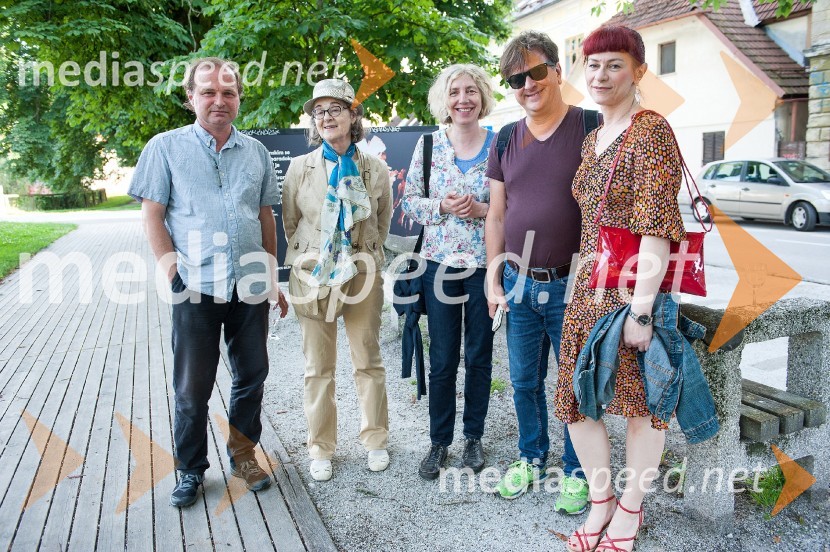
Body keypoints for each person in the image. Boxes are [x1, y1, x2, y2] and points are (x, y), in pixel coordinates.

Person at [129, 57, 288, 508]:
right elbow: (153, 215)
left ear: (239, 98)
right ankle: (190, 469)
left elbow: (264, 216)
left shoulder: (256, 152)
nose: (219, 100)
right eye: (208, 92)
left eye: (228, 92)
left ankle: (243, 457)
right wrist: (172, 274)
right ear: (190, 97)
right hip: (195, 285)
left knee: (252, 375)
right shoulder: (165, 148)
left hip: (249, 285)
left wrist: (271, 276)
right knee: (192, 387)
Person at [555, 26, 684, 552]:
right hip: (588, 286)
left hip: (632, 292)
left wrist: (643, 310)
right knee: (575, 401)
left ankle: (630, 509)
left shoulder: (650, 130)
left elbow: (657, 226)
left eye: (614, 64)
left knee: (639, 405)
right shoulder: (594, 137)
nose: (601, 75)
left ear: (638, 72)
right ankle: (601, 500)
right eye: (593, 64)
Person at [484, 31, 594, 513]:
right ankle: (531, 457)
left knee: (575, 381)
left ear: (557, 71)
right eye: (515, 79)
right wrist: (493, 278)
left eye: (535, 72)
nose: (527, 85)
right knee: (524, 381)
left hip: (575, 284)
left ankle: (577, 471)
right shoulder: (506, 138)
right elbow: (496, 216)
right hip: (518, 283)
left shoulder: (590, 127)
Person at [282, 79, 392, 482]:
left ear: (352, 114)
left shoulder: (375, 168)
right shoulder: (300, 168)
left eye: (335, 109)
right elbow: (292, 222)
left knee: (368, 360)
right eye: (319, 111)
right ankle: (321, 448)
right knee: (318, 367)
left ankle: (376, 440)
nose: (326, 117)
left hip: (362, 270)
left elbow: (382, 220)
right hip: (314, 274)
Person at [401, 64, 496, 479]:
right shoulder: (427, 145)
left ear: (482, 96)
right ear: (444, 99)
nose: (463, 99)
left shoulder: (500, 144)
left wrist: (482, 209)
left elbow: (513, 206)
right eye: (455, 92)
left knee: (479, 356)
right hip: (438, 266)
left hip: (483, 266)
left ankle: (473, 437)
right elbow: (409, 202)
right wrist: (440, 206)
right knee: (442, 359)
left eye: (471, 90)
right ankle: (439, 442)